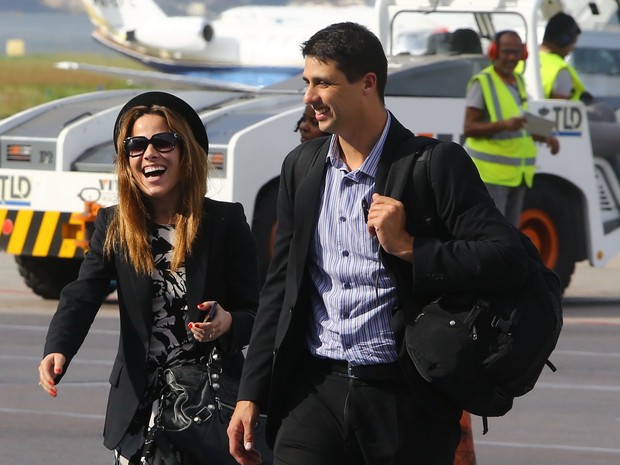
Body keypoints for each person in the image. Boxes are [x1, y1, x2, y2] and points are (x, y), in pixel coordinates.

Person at [227, 22, 529, 465]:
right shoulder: (301, 167)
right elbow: (280, 289)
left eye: (323, 83)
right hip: (312, 393)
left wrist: (409, 246)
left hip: (403, 400)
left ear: (368, 83)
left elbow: (507, 258)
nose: (309, 97)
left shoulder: (435, 165)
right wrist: (250, 394)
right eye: (306, 83)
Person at [38, 91, 260, 465]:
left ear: (185, 152)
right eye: (136, 145)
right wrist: (57, 347)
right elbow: (83, 294)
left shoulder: (225, 222)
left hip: (208, 406)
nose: (149, 154)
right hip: (139, 408)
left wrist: (228, 324)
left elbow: (260, 313)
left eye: (163, 142)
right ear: (126, 161)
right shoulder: (114, 225)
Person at [463, 30, 560, 227]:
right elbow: (469, 127)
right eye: (507, 52)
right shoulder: (483, 83)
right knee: (493, 236)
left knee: (509, 236)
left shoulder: (519, 81)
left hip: (518, 175)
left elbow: (521, 122)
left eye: (517, 53)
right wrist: (504, 125)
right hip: (491, 175)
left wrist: (544, 136)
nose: (512, 58)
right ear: (494, 52)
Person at [539, 12, 620, 161]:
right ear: (563, 39)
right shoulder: (558, 68)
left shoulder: (531, 58)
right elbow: (562, 111)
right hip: (561, 128)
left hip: (541, 122)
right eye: (572, 43)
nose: (572, 48)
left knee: (605, 110)